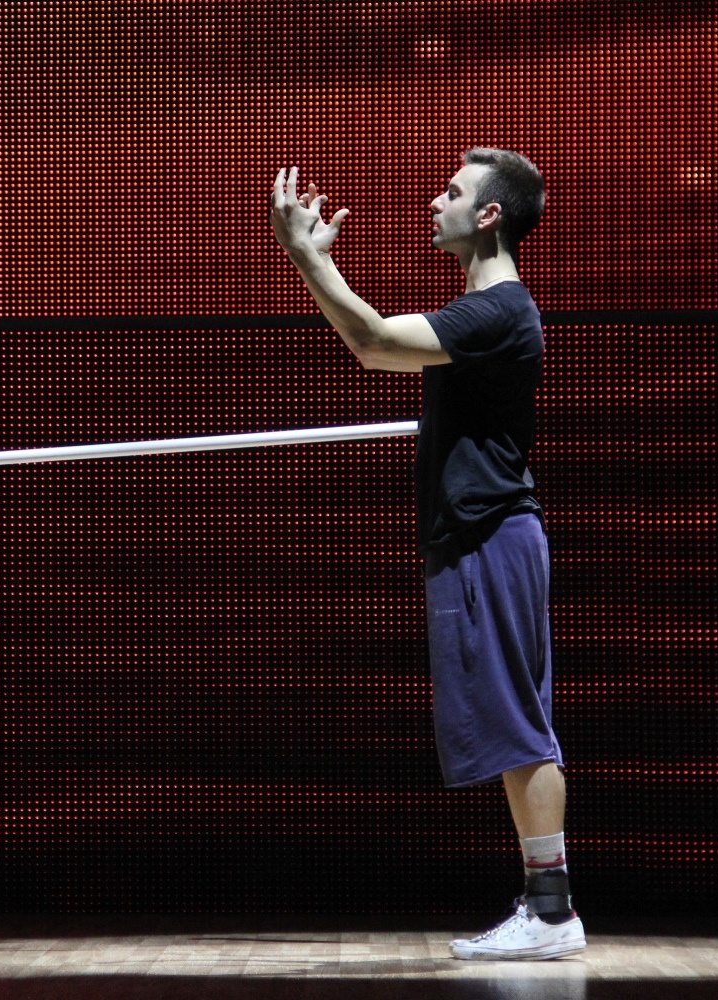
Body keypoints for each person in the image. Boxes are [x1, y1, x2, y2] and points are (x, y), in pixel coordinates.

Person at [269, 149, 585, 960]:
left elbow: (373, 341)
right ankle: (546, 907)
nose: (434, 202)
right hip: (483, 536)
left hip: (491, 535)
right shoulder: (482, 312)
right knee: (514, 719)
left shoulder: (496, 311)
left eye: (452, 192)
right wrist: (313, 264)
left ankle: (551, 913)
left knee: (517, 721)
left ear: (488, 214)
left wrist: (305, 256)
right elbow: (376, 341)